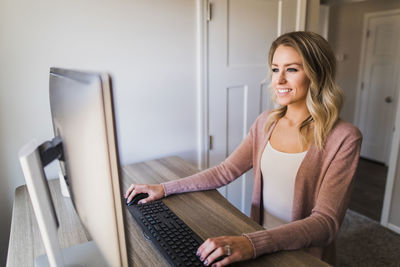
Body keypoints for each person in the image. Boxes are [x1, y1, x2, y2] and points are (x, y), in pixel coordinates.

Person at [125, 31, 362, 266]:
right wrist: (164, 188)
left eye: (291, 69)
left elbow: (326, 223)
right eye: (275, 68)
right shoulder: (265, 122)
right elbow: (225, 171)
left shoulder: (344, 138)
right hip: (256, 240)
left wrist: (252, 243)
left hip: (299, 255)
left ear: (317, 73)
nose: (278, 80)